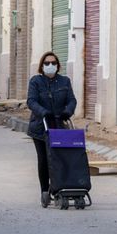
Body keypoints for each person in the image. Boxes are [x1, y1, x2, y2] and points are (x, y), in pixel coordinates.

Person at [26, 51, 77, 207]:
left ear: (58, 65)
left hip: (58, 126)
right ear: (42, 66)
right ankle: (44, 191)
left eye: (53, 63)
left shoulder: (64, 82)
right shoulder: (36, 81)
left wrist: (68, 111)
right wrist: (43, 112)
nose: (50, 66)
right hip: (40, 127)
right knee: (44, 159)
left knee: (58, 158)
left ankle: (58, 188)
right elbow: (31, 101)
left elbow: (71, 100)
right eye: (47, 63)